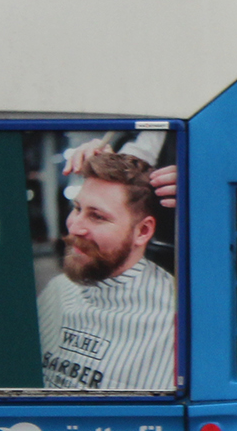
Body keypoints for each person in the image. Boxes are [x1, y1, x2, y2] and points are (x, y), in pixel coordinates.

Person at [38, 150, 177, 392]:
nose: (75, 227)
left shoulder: (174, 320)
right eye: (76, 208)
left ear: (143, 231)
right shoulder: (58, 289)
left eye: (97, 216)